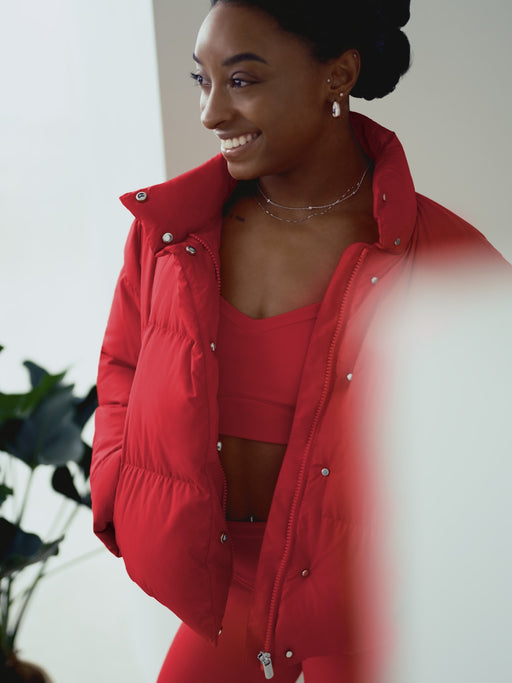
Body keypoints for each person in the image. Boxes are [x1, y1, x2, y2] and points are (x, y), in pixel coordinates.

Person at [90, 1, 510, 681]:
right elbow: (122, 368)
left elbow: (490, 467)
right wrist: (116, 489)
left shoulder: (448, 263)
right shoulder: (171, 234)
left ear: (337, 75)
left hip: (371, 618)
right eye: (203, 80)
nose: (212, 113)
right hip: (225, 598)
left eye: (242, 80)